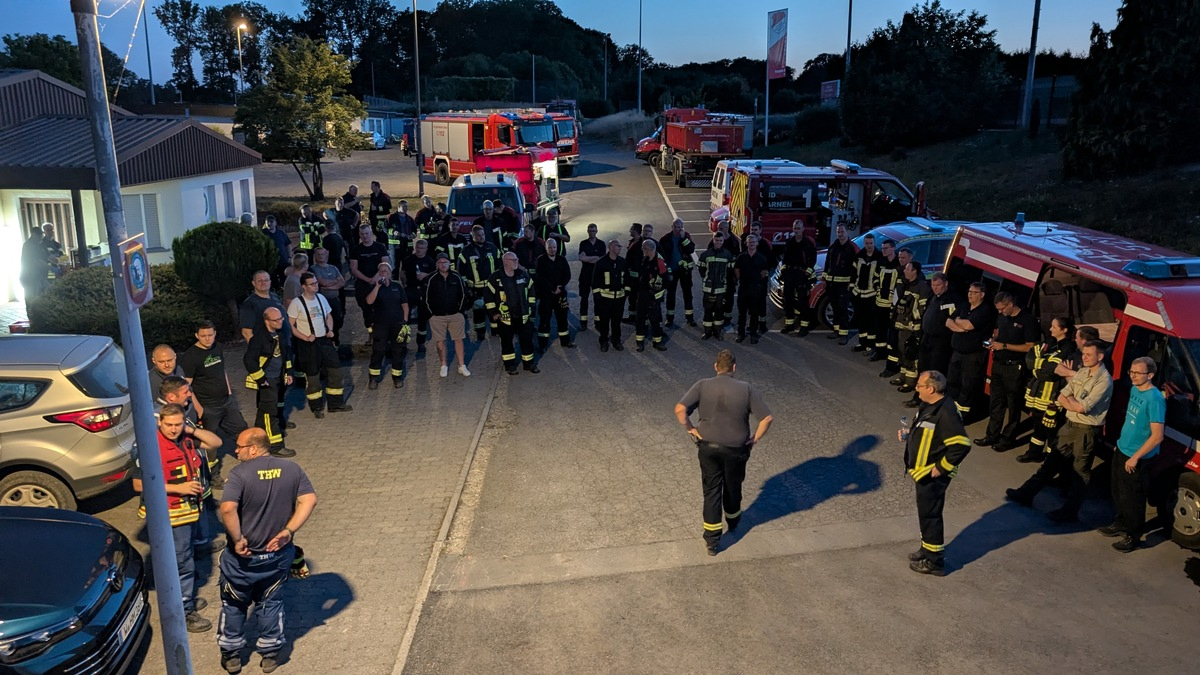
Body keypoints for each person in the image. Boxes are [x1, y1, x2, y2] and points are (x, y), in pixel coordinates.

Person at [217, 427, 317, 674]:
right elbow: (309, 499)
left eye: (239, 446)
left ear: (253, 448)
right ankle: (270, 654)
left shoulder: (239, 474)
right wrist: (288, 531)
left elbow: (228, 509)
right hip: (276, 557)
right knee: (271, 603)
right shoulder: (292, 469)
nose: (235, 450)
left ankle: (231, 655)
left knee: (234, 604)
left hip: (242, 560)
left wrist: (238, 538)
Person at [133, 403, 223, 632]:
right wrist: (179, 488)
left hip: (188, 510)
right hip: (170, 512)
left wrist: (190, 430)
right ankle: (183, 610)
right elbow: (138, 483)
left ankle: (185, 599)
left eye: (178, 424)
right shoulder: (148, 445)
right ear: (159, 422)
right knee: (182, 562)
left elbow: (215, 443)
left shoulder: (185, 438)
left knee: (184, 556)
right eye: (169, 424)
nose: (173, 429)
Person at [675, 349, 773, 556]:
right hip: (736, 449)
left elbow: (680, 409)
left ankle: (712, 541)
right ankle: (734, 520)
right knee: (732, 485)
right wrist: (754, 439)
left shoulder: (702, 385)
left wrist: (691, 429)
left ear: (715, 367)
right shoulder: (746, 389)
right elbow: (767, 419)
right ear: (734, 368)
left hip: (708, 446)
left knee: (711, 490)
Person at [1006, 340, 1113, 522]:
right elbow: (1062, 395)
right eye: (1084, 354)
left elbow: (1082, 408)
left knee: (1080, 472)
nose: (1084, 357)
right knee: (1051, 462)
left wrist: (1071, 402)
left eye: (1088, 355)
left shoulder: (1104, 381)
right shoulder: (1083, 371)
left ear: (1100, 356)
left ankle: (1069, 512)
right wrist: (1072, 402)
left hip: (1086, 431)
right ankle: (1026, 493)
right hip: (1069, 426)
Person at [899, 370, 972, 576]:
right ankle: (927, 548)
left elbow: (961, 445)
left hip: (931, 474)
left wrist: (940, 468)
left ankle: (935, 562)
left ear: (930, 388)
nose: (916, 388)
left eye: (920, 386)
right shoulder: (930, 405)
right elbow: (925, 430)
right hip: (921, 472)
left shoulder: (946, 412)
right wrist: (908, 434)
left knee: (930, 515)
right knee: (925, 513)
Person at [1101, 356, 1165, 552]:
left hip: (1138, 458)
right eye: (1131, 372)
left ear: (1151, 375)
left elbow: (1157, 436)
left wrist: (1135, 457)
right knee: (1117, 490)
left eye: (1138, 373)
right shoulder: (1134, 389)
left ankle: (1133, 535)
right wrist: (1120, 445)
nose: (1133, 376)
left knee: (1133, 498)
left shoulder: (1155, 400)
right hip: (1122, 449)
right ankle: (1120, 523)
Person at [180, 320, 247, 483]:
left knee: (242, 430)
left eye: (210, 335)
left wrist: (229, 392)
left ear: (215, 333)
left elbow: (222, 369)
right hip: (208, 407)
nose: (207, 339)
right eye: (203, 336)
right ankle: (213, 475)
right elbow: (187, 386)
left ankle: (249, 460)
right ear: (196, 336)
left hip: (226, 401)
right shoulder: (191, 356)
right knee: (210, 444)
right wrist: (199, 410)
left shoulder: (217, 347)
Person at [289, 272, 352, 417]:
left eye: (316, 282)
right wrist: (304, 337)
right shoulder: (296, 303)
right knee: (313, 377)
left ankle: (335, 404)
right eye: (312, 284)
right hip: (308, 344)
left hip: (325, 340)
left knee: (336, 371)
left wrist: (329, 329)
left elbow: (328, 315)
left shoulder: (321, 298)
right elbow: (290, 325)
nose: (315, 285)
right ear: (304, 286)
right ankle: (316, 408)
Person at [982, 292, 1040, 451]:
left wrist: (1005, 346)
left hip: (1014, 367)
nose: (1000, 312)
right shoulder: (1001, 317)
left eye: (1002, 309)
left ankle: (1007, 438)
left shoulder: (1027, 320)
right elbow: (998, 332)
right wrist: (993, 342)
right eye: (998, 309)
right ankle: (992, 435)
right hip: (998, 363)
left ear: (1010, 304)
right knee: (996, 401)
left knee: (1013, 404)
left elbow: (1030, 346)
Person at [1017, 317, 1076, 463]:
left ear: (1064, 330)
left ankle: (1051, 461)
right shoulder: (1047, 343)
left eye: (1054, 327)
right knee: (1037, 426)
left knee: (1052, 430)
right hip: (1038, 392)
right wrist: (1043, 366)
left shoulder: (1068, 347)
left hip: (1053, 396)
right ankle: (1034, 453)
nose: (1050, 329)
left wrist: (1040, 367)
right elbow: (1030, 359)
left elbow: (1052, 370)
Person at [243, 308, 295, 458]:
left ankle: (259, 434)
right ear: (267, 321)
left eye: (281, 319)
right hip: (267, 380)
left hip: (279, 377)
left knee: (273, 407)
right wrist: (261, 379)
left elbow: (287, 356)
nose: (280, 322)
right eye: (276, 320)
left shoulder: (281, 334)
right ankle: (276, 446)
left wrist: (288, 373)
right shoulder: (259, 339)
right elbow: (249, 360)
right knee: (268, 412)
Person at [946, 283, 995, 420]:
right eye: (969, 291)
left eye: (973, 292)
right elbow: (949, 321)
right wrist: (961, 328)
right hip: (957, 352)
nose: (970, 294)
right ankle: (950, 411)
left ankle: (962, 417)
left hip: (973, 355)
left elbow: (969, 325)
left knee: (967, 386)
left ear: (982, 295)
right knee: (952, 382)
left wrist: (960, 322)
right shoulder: (964, 305)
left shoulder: (985, 310)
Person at [485, 252, 539, 374]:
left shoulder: (523, 275)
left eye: (516, 259)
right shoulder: (495, 278)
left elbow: (531, 292)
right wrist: (494, 313)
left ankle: (529, 364)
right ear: (505, 262)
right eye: (513, 260)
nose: (516, 262)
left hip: (523, 315)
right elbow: (488, 297)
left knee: (526, 340)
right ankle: (510, 365)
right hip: (505, 317)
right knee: (507, 342)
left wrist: (531, 308)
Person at [425, 253, 471, 377]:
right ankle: (444, 365)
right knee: (440, 342)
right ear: (437, 264)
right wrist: (431, 314)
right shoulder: (431, 279)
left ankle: (462, 365)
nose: (443, 264)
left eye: (445, 262)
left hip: (455, 315)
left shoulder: (456, 277)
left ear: (449, 263)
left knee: (459, 340)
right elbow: (425, 298)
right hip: (437, 317)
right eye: (440, 262)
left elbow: (463, 295)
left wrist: (460, 311)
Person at [366, 260, 410, 389]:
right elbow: (369, 301)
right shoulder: (375, 287)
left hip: (397, 324)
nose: (383, 273)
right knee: (378, 351)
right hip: (380, 325)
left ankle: (397, 377)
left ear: (390, 273)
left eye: (386, 271)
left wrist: (405, 320)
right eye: (381, 271)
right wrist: (377, 287)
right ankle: (373, 378)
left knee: (398, 351)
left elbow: (405, 304)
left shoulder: (397, 287)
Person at [893, 261, 931, 400]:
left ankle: (910, 382)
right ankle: (903, 377)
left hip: (913, 328)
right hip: (902, 325)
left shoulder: (922, 287)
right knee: (902, 351)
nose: (904, 271)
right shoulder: (905, 283)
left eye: (907, 269)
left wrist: (911, 318)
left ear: (914, 271)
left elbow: (922, 308)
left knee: (911, 354)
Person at [458, 224, 501, 341]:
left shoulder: (492, 248)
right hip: (475, 288)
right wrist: (467, 289)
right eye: (478, 235)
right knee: (478, 311)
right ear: (473, 236)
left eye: (482, 235)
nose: (481, 237)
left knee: (494, 308)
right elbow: (461, 272)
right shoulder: (466, 251)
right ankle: (480, 333)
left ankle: (495, 330)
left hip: (491, 287)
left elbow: (499, 267)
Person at [350, 222, 390, 340]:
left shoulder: (380, 247)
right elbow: (353, 268)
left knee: (381, 309)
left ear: (371, 233)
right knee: (366, 310)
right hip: (363, 284)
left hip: (380, 282)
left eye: (367, 233)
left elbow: (385, 264)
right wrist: (368, 279)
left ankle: (383, 333)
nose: (365, 236)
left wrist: (376, 278)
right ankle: (371, 333)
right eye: (362, 234)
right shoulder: (356, 249)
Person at [535, 238, 576, 352]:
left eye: (554, 247)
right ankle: (542, 345)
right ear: (546, 248)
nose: (552, 250)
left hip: (560, 294)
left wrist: (560, 287)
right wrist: (553, 288)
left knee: (562, 318)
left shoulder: (562, 259)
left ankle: (565, 341)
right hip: (546, 295)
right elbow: (540, 277)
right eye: (550, 247)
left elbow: (567, 275)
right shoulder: (541, 260)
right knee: (544, 320)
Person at [880, 247, 914, 379]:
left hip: (904, 316)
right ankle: (891, 366)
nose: (900, 260)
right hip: (895, 312)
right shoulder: (898, 271)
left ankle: (895, 368)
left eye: (903, 258)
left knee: (900, 343)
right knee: (892, 341)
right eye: (899, 257)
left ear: (910, 258)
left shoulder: (912, 275)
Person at [778, 220, 817, 337]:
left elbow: (812, 260)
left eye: (799, 228)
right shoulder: (790, 242)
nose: (797, 231)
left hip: (802, 274)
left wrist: (807, 273)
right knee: (788, 300)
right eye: (795, 228)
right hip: (790, 273)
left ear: (803, 229)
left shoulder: (808, 243)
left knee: (802, 301)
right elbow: (785, 258)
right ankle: (789, 324)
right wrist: (783, 271)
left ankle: (804, 327)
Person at [149, 344, 205, 420]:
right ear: (154, 361)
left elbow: (189, 391)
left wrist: (199, 410)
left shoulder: (178, 369)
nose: (167, 365)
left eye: (169, 360)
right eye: (162, 362)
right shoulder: (151, 382)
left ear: (175, 356)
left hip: (191, 418)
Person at [698, 230, 736, 340]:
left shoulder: (727, 255)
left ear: (723, 241)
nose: (718, 242)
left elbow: (730, 272)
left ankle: (717, 332)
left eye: (720, 240)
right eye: (716, 240)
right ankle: (707, 332)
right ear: (713, 240)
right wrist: (708, 278)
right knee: (707, 311)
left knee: (719, 311)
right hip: (708, 288)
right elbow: (701, 269)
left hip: (721, 288)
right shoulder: (705, 254)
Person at [659, 218, 697, 328]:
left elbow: (691, 250)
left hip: (684, 271)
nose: (677, 229)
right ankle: (669, 319)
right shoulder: (665, 239)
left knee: (687, 293)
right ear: (672, 227)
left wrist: (683, 238)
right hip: (672, 270)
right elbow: (661, 255)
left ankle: (690, 318)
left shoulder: (686, 236)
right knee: (671, 294)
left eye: (679, 227)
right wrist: (666, 268)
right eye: (675, 227)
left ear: (682, 227)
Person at [734, 234, 771, 344]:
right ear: (746, 243)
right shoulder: (741, 257)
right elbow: (737, 270)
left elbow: (764, 273)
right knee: (742, 313)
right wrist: (742, 279)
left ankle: (753, 334)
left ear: (757, 243)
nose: (751, 244)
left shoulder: (762, 258)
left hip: (756, 289)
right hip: (744, 288)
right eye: (749, 242)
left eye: (753, 242)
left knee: (754, 313)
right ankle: (741, 334)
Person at [850, 233, 884, 351]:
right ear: (864, 243)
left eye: (871, 243)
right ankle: (862, 343)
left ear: (874, 243)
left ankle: (870, 344)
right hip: (859, 293)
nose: (869, 246)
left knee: (871, 321)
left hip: (872, 294)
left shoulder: (879, 257)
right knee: (861, 320)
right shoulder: (859, 256)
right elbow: (853, 273)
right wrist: (852, 288)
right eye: (866, 243)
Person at [239, 270, 292, 347]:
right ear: (253, 283)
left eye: (266, 280)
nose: (263, 283)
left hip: (285, 347)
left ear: (270, 282)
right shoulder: (249, 304)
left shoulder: (275, 297)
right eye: (260, 280)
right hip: (267, 350)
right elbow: (246, 332)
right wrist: (256, 351)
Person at [592, 238, 627, 352]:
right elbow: (595, 280)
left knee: (617, 322)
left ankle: (616, 340)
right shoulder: (601, 263)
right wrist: (598, 297)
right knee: (604, 322)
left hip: (619, 299)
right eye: (618, 246)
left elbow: (627, 279)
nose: (620, 248)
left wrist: (626, 292)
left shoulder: (623, 262)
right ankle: (604, 341)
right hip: (605, 299)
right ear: (611, 247)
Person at [823, 224, 857, 344]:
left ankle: (844, 334)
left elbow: (855, 268)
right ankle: (836, 330)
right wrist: (825, 277)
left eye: (842, 232)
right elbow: (828, 262)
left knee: (843, 309)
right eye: (838, 232)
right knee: (835, 308)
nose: (840, 234)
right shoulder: (833, 246)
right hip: (832, 283)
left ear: (847, 232)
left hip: (844, 285)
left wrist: (851, 283)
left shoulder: (852, 248)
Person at [402, 238, 436, 353]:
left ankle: (421, 343)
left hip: (424, 291)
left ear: (426, 249)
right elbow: (403, 272)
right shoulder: (408, 260)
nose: (419, 250)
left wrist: (425, 275)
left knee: (423, 319)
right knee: (405, 318)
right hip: (410, 290)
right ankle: (404, 341)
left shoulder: (430, 261)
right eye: (417, 248)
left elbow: (435, 274)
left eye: (422, 248)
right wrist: (404, 281)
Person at [634, 238, 668, 352]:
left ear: (648, 249)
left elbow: (666, 279)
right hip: (643, 293)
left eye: (644, 249)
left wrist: (657, 292)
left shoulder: (659, 262)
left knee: (655, 318)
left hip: (654, 295)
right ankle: (640, 341)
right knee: (640, 317)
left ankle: (657, 342)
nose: (643, 251)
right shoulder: (645, 259)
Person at [867, 239, 900, 357]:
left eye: (886, 248)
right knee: (880, 328)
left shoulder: (899, 264)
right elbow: (875, 277)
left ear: (893, 248)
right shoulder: (881, 262)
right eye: (882, 248)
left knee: (892, 330)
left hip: (893, 303)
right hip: (880, 301)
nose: (883, 250)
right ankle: (879, 352)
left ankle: (891, 353)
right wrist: (877, 287)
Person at [310, 247, 347, 344]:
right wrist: (335, 282)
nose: (321, 256)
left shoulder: (333, 268)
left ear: (327, 255)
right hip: (322, 301)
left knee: (338, 319)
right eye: (318, 254)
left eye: (323, 254)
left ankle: (335, 339)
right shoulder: (313, 269)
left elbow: (342, 282)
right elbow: (322, 282)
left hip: (335, 299)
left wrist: (330, 287)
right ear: (315, 256)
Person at [576, 223, 606, 332]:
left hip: (597, 276)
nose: (592, 232)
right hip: (585, 275)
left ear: (597, 231)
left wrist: (588, 258)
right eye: (590, 231)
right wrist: (594, 258)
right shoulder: (583, 243)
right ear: (587, 231)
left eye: (593, 231)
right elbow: (581, 258)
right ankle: (583, 323)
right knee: (584, 299)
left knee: (598, 299)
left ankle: (597, 322)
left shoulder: (601, 244)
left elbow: (601, 260)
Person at [20, 224, 50, 304]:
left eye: (41, 235)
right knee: (32, 300)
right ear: (33, 235)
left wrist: (58, 261)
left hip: (40, 276)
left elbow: (48, 256)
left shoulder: (39, 244)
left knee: (41, 299)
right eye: (39, 235)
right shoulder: (29, 245)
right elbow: (36, 261)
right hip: (30, 277)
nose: (41, 236)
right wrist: (51, 268)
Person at [260, 215, 291, 288]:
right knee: (273, 281)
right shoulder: (262, 233)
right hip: (271, 262)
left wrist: (290, 257)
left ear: (275, 223)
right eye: (267, 222)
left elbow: (288, 245)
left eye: (271, 222)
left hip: (283, 261)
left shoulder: (281, 233)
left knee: (284, 280)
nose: (269, 224)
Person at [624, 223, 646, 324]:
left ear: (635, 230)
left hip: (638, 277)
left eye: (631, 229)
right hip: (632, 277)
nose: (629, 230)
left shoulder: (641, 244)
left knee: (639, 298)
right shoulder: (633, 242)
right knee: (632, 297)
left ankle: (640, 317)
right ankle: (632, 316)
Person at [385, 199, 417, 266]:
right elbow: (385, 228)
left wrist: (413, 234)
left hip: (407, 246)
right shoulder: (391, 217)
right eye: (404, 206)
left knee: (407, 268)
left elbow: (414, 229)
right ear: (398, 207)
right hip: (395, 247)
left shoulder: (410, 219)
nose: (406, 208)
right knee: (394, 268)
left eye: (407, 206)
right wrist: (393, 232)